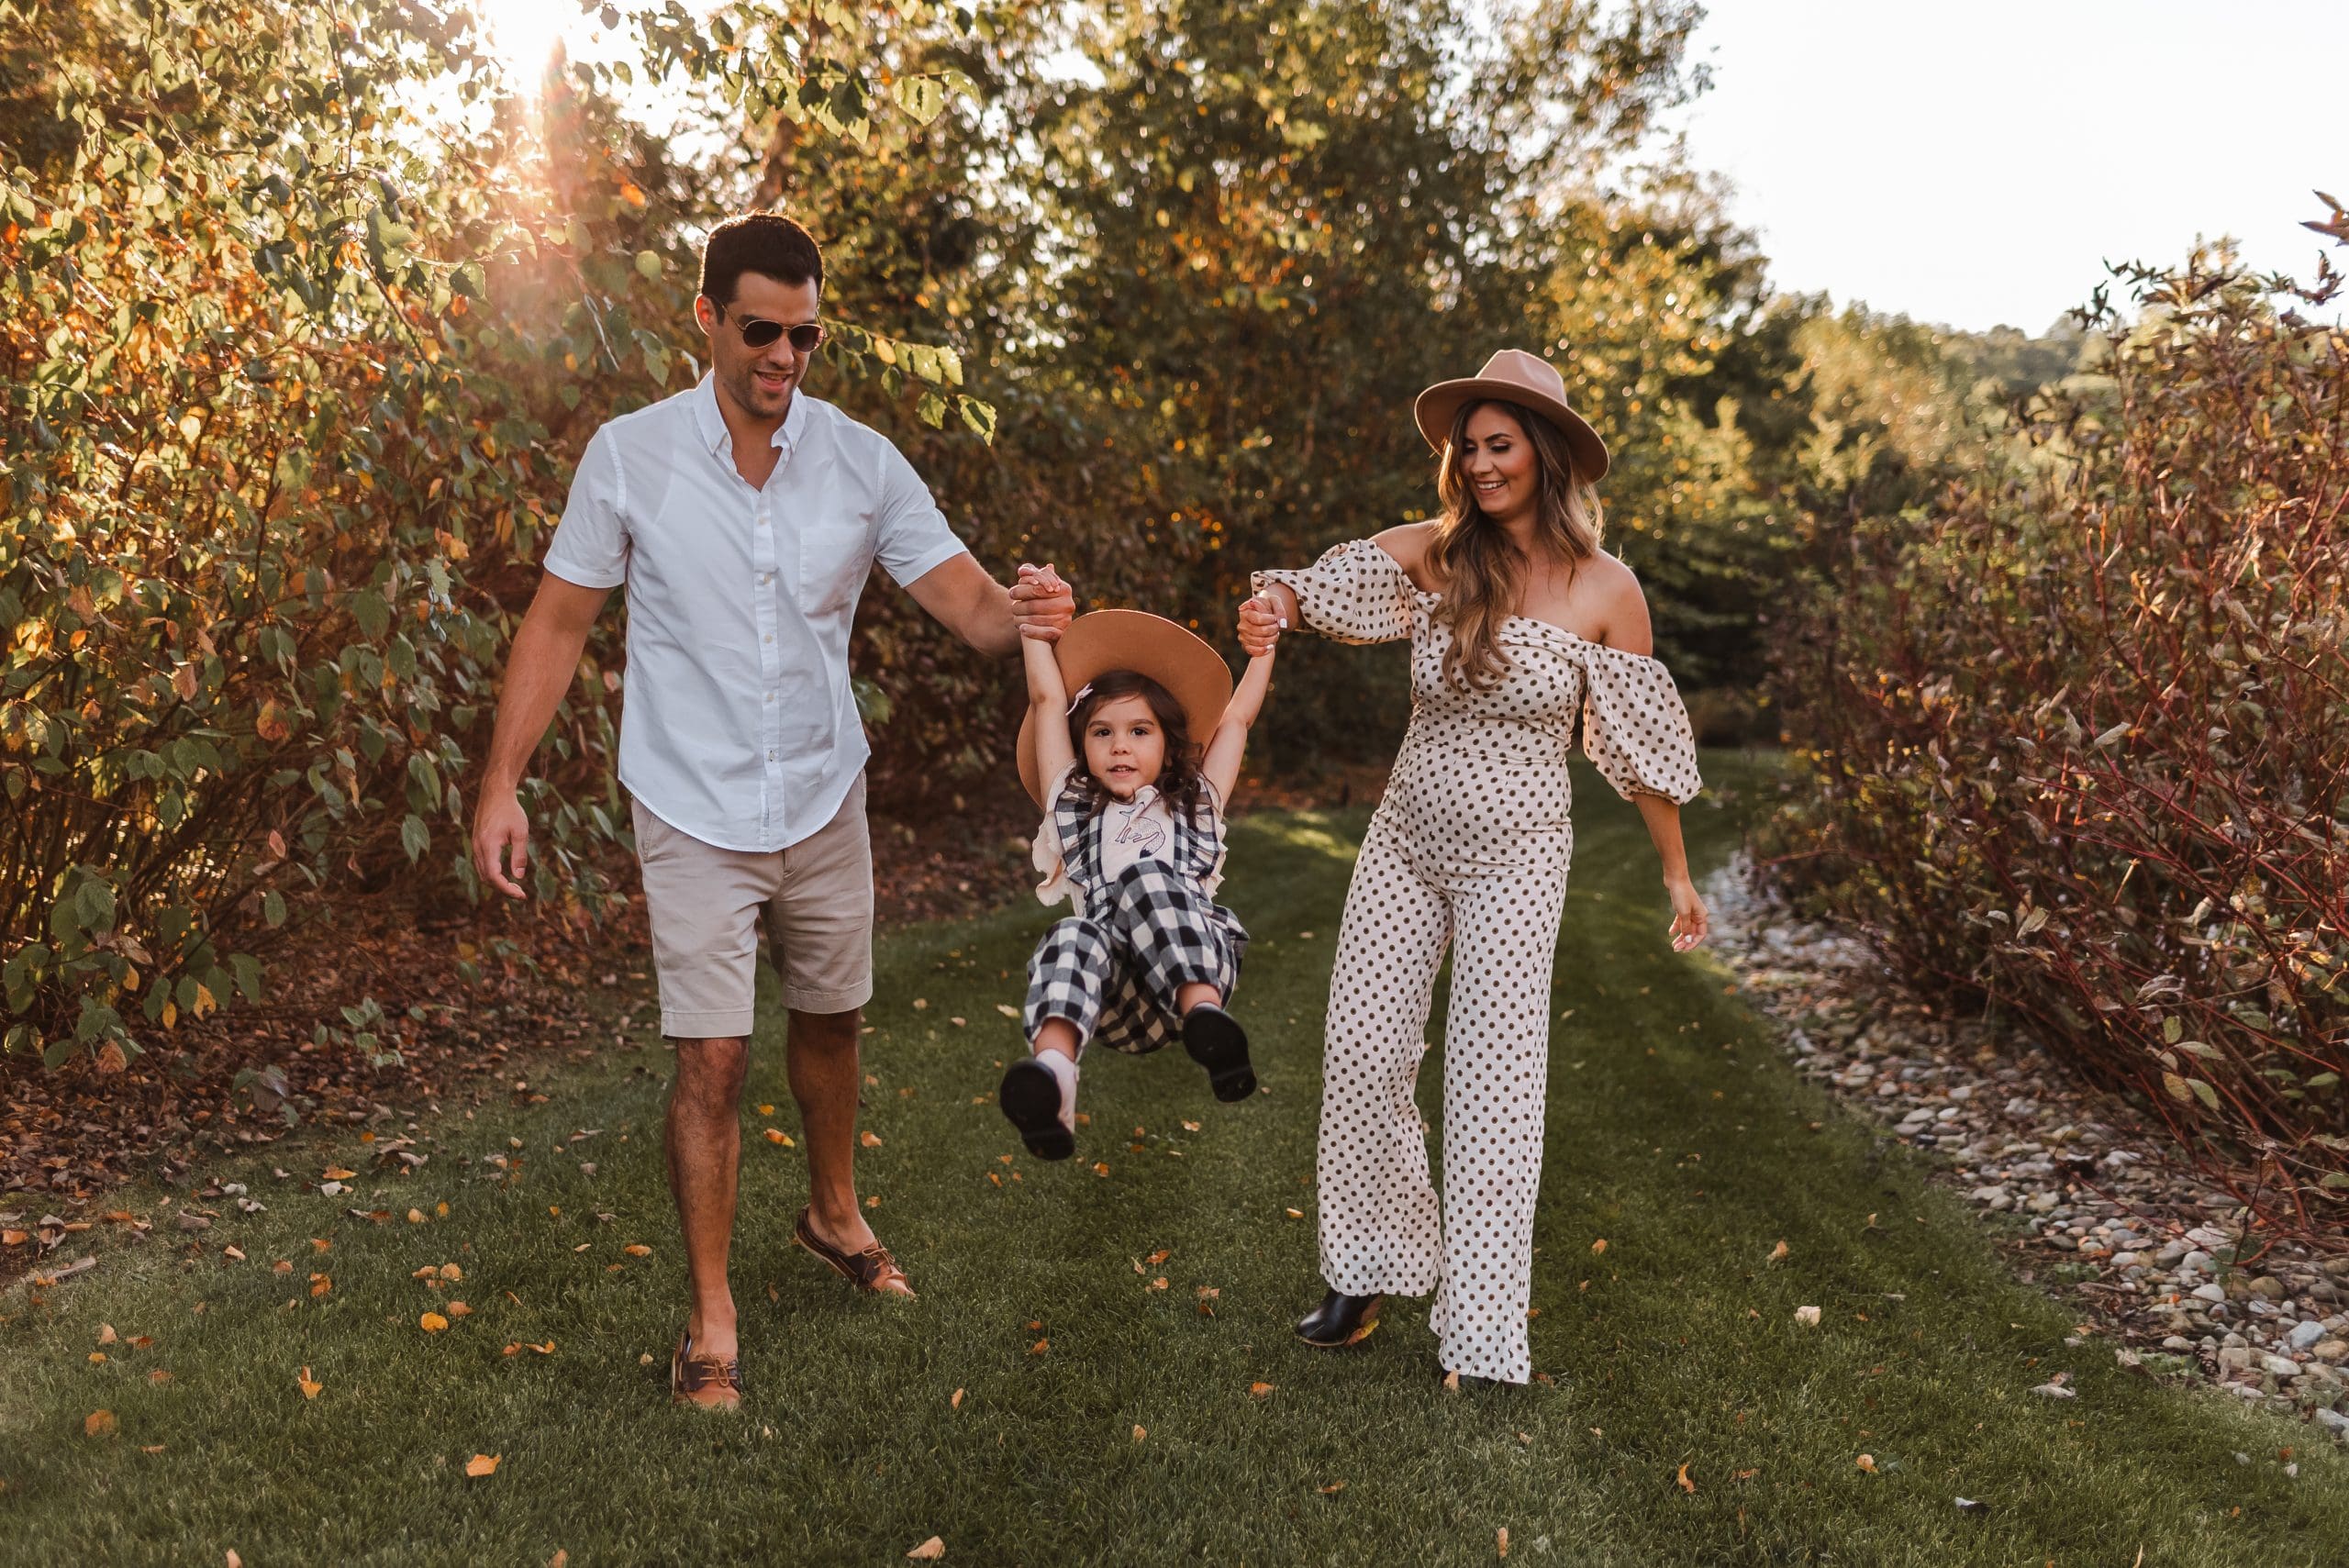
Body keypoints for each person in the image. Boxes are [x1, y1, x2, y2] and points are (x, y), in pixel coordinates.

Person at [468, 213, 1073, 1410]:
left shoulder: (861, 461)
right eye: (760, 330)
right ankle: (711, 1315)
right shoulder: (631, 455)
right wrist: (501, 782)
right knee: (712, 1058)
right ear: (706, 318)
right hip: (689, 802)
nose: (784, 356)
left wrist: (1035, 610)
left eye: (805, 335)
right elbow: (559, 620)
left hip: (821, 790)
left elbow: (972, 610)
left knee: (832, 1021)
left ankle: (834, 1212)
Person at [1240, 349, 1707, 1387]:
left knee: (1493, 1087)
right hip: (1406, 840)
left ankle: (1483, 1336)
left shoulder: (1607, 589)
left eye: (1501, 446)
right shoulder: (1439, 552)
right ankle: (1363, 1270)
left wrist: (1675, 872)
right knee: (1362, 1052)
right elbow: (1324, 583)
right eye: (1470, 448)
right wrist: (1274, 599)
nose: (1482, 465)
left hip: (1519, 858)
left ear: (1545, 455)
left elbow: (1642, 745)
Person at [997, 597, 1276, 1160]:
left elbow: (1237, 719)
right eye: (1101, 732)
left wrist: (1264, 648)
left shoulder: (1195, 806)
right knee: (1071, 935)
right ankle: (1053, 1078)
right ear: (1082, 746)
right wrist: (1033, 626)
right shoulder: (1075, 810)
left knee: (1147, 880)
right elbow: (1047, 700)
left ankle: (1209, 1025)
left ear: (1169, 746)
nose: (1119, 744)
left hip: (1195, 966)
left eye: (1139, 730)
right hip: (1116, 997)